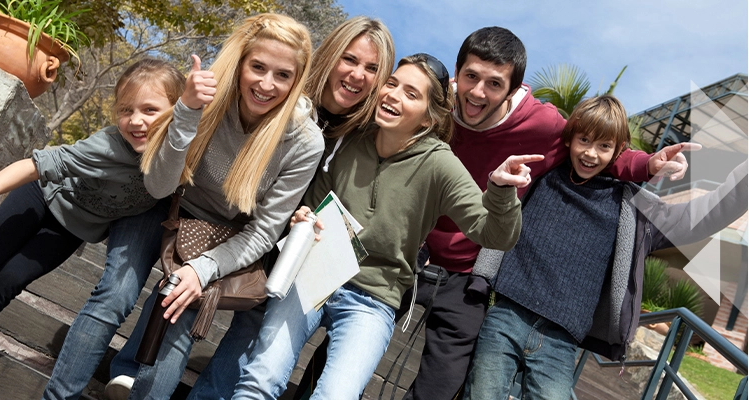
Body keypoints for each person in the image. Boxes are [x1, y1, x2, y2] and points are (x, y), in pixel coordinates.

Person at [398, 26, 694, 400]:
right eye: (470, 77)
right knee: (358, 328)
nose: (477, 92)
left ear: (512, 88)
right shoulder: (433, 104)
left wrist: (648, 164)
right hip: (406, 250)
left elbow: (595, 150)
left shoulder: (544, 125)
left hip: (467, 270)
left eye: (494, 83)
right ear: (457, 73)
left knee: (445, 385)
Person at [231, 53, 534, 400]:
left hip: (373, 299)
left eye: (411, 94)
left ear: (428, 118)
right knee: (261, 377)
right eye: (391, 84)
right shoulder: (351, 136)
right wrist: (303, 215)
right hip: (313, 274)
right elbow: (312, 201)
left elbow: (496, 234)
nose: (393, 95)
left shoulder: (440, 165)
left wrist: (500, 191)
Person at [100, 13, 323, 400]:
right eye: (257, 67)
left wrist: (202, 270)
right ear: (241, 64)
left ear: (297, 80)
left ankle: (136, 383)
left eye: (283, 75)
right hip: (175, 210)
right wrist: (186, 113)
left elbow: (265, 231)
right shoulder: (208, 97)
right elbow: (158, 185)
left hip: (233, 236)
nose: (266, 84)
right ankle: (129, 376)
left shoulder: (304, 142)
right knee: (118, 292)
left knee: (188, 294)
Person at [464, 95, 746, 399]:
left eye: (603, 146)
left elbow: (699, 217)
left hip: (561, 340)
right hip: (506, 315)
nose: (590, 153)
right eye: (584, 140)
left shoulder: (630, 206)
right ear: (570, 139)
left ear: (617, 151)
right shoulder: (541, 175)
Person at [183, 16, 395, 400]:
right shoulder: (283, 96)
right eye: (350, 59)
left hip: (296, 249)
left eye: (372, 68)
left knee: (256, 328)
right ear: (330, 55)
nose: (357, 74)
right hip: (241, 227)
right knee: (216, 313)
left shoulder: (367, 134)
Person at [0, 58, 183, 350]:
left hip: (72, 230)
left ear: (179, 112)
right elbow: (34, 165)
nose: (136, 120)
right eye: (126, 110)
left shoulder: (180, 159)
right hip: (41, 197)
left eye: (150, 110)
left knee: (8, 282)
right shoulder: (107, 146)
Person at [40, 59, 186, 399]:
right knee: (116, 294)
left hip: (199, 217)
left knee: (175, 297)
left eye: (150, 108)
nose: (138, 118)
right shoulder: (126, 136)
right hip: (149, 205)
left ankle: (129, 373)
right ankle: (59, 395)